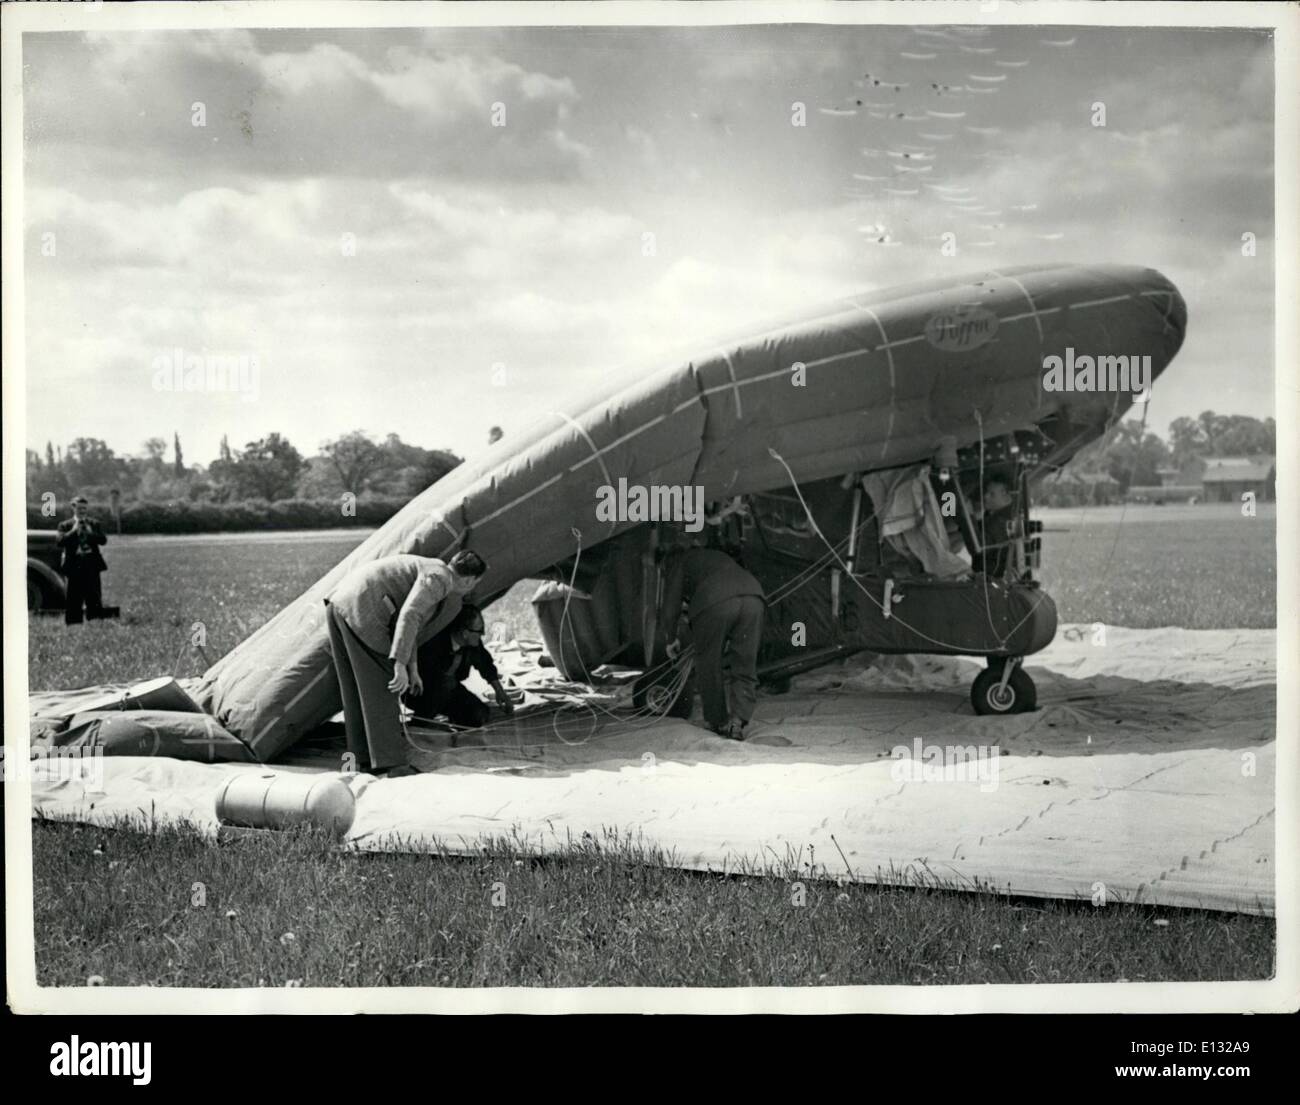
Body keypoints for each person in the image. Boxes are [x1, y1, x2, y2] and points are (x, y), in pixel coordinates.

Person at [324, 549, 487, 776]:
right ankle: (391, 763)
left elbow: (413, 626)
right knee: (384, 687)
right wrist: (399, 666)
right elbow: (409, 615)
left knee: (355, 690)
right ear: (469, 580)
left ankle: (362, 758)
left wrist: (413, 668)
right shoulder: (439, 579)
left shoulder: (433, 568)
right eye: (475, 583)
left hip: (341, 604)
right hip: (364, 609)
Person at [659, 545, 766, 741]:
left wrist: (670, 639)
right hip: (753, 597)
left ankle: (717, 721)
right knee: (745, 662)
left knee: (709, 663)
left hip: (716, 602)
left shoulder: (678, 562)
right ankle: (738, 721)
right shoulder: (714, 556)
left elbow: (670, 606)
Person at [403, 603, 514, 729]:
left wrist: (500, 692)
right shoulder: (434, 643)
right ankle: (419, 724)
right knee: (442, 689)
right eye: (479, 631)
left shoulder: (473, 644)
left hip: (450, 690)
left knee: (479, 714)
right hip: (421, 693)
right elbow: (425, 679)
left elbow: (485, 664)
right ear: (465, 633)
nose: (482, 635)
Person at [57, 496, 109, 625]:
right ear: (73, 508)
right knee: (73, 595)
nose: (82, 511)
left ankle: (95, 621)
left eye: (85, 508)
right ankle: (74, 623)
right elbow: (60, 542)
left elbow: (103, 541)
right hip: (74, 564)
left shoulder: (94, 524)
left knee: (94, 594)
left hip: (91, 564)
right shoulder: (65, 525)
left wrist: (91, 533)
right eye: (79, 508)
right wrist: (74, 531)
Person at [972, 476, 1019, 578]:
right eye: (987, 492)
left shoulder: (999, 521)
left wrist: (972, 518)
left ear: (1006, 496)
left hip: (990, 580)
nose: (985, 496)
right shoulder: (1009, 515)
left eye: (992, 494)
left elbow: (977, 547)